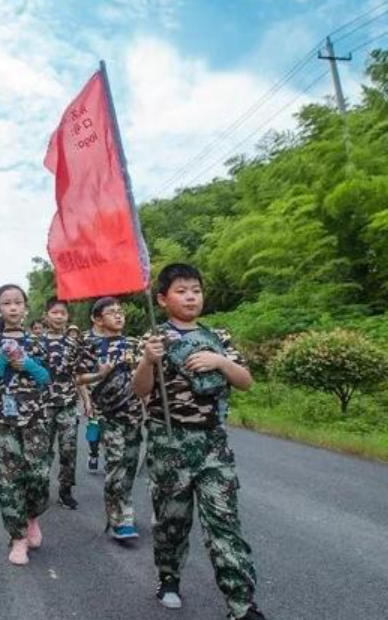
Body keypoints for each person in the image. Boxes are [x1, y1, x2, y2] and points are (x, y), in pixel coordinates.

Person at [133, 263, 267, 620]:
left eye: (196, 290)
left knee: (224, 522)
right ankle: (169, 577)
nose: (191, 296)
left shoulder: (218, 336)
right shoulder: (153, 338)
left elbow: (245, 381)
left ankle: (241, 603)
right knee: (172, 520)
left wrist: (220, 361)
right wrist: (148, 360)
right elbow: (140, 390)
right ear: (162, 299)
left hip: (213, 444)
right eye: (181, 291)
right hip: (169, 442)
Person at [0, 284, 51, 566]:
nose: (12, 307)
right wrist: (2, 359)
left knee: (39, 475)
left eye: (17, 302)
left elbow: (47, 378)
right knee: (7, 480)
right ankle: (17, 538)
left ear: (25, 306)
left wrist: (27, 364)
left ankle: (32, 516)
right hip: (4, 419)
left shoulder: (38, 341)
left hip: (36, 417)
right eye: (6, 303)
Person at [76, 297, 145, 541]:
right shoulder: (90, 344)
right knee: (115, 462)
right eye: (112, 312)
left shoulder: (135, 344)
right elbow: (78, 377)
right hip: (108, 414)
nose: (119, 316)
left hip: (134, 414)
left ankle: (123, 504)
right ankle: (119, 517)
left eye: (120, 311)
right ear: (97, 319)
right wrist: (98, 374)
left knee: (130, 464)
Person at [40, 297, 83, 509]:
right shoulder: (36, 343)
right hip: (42, 406)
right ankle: (40, 488)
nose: (59, 316)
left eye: (63, 313)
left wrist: (87, 401)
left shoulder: (74, 343)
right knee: (42, 450)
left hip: (67, 403)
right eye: (55, 312)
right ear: (46, 316)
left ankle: (66, 490)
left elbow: (78, 375)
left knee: (69, 449)